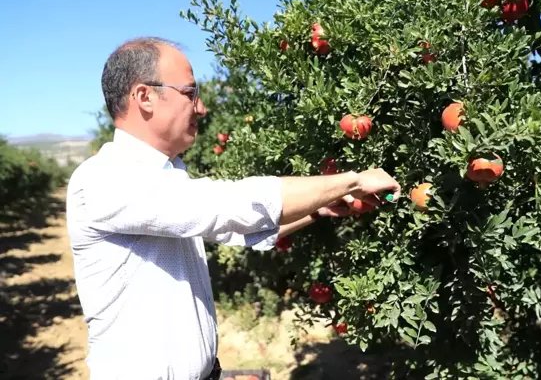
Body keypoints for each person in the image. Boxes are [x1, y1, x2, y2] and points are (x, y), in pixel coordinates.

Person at [65, 36, 401, 380]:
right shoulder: (104, 180)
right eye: (190, 93)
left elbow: (234, 230)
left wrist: (320, 207)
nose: (201, 108)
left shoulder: (166, 179)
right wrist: (351, 180)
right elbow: (229, 207)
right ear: (145, 97)